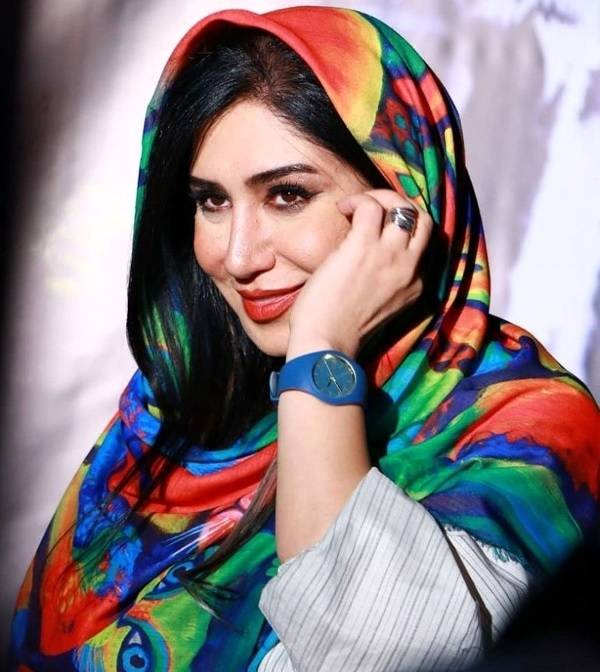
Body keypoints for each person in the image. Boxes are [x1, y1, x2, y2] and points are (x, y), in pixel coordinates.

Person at [9, 6, 600, 671]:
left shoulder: (526, 438)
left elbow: (376, 653)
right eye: (211, 201)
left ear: (403, 200)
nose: (238, 256)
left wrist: (321, 353)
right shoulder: (174, 418)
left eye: (287, 195)